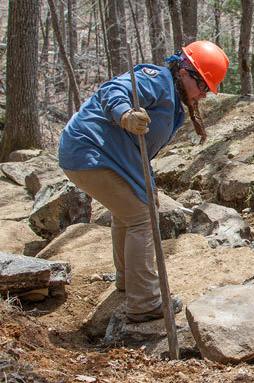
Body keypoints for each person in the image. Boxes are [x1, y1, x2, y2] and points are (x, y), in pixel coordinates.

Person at [58, 41, 229, 322]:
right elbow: (112, 89)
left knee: (129, 213)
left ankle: (129, 283)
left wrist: (147, 181)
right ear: (186, 73)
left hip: (99, 157)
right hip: (88, 153)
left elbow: (138, 150)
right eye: (203, 87)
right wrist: (124, 114)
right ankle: (145, 302)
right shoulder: (157, 80)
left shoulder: (173, 99)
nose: (204, 95)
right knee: (141, 218)